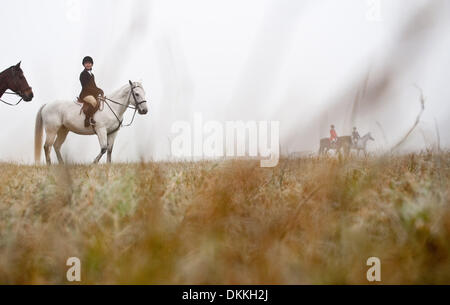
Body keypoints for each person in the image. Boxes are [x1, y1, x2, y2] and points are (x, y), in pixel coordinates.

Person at [79, 56, 104, 127]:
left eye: (89, 63)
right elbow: (86, 87)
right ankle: (87, 119)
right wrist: (97, 91)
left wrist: (100, 90)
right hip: (85, 94)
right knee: (94, 102)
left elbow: (94, 86)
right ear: (84, 65)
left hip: (91, 93)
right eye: (86, 63)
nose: (88, 64)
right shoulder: (83, 74)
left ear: (92, 64)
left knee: (99, 101)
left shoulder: (92, 75)